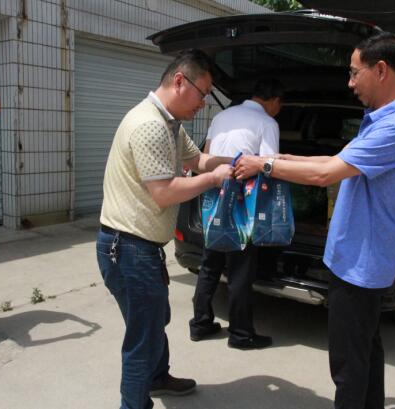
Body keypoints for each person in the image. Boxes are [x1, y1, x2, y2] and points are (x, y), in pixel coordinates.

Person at [234, 32, 395, 409]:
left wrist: (264, 165)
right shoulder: (382, 120)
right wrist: (284, 158)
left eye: (354, 73)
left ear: (381, 70)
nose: (350, 83)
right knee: (365, 349)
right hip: (356, 259)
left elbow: (326, 175)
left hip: (361, 265)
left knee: (348, 364)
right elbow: (335, 160)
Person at [96, 49, 233, 409]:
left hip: (140, 248)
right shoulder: (150, 125)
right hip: (129, 249)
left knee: (155, 321)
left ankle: (157, 377)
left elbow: (197, 160)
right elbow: (164, 192)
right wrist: (214, 179)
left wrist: (236, 162)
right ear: (179, 81)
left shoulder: (169, 123)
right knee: (143, 337)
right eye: (203, 93)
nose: (204, 103)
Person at [189, 77, 284, 350]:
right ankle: (241, 335)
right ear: (275, 101)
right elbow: (269, 166)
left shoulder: (221, 116)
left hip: (213, 194)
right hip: (242, 200)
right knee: (241, 269)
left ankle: (200, 324)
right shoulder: (267, 122)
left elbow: (206, 155)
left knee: (210, 262)